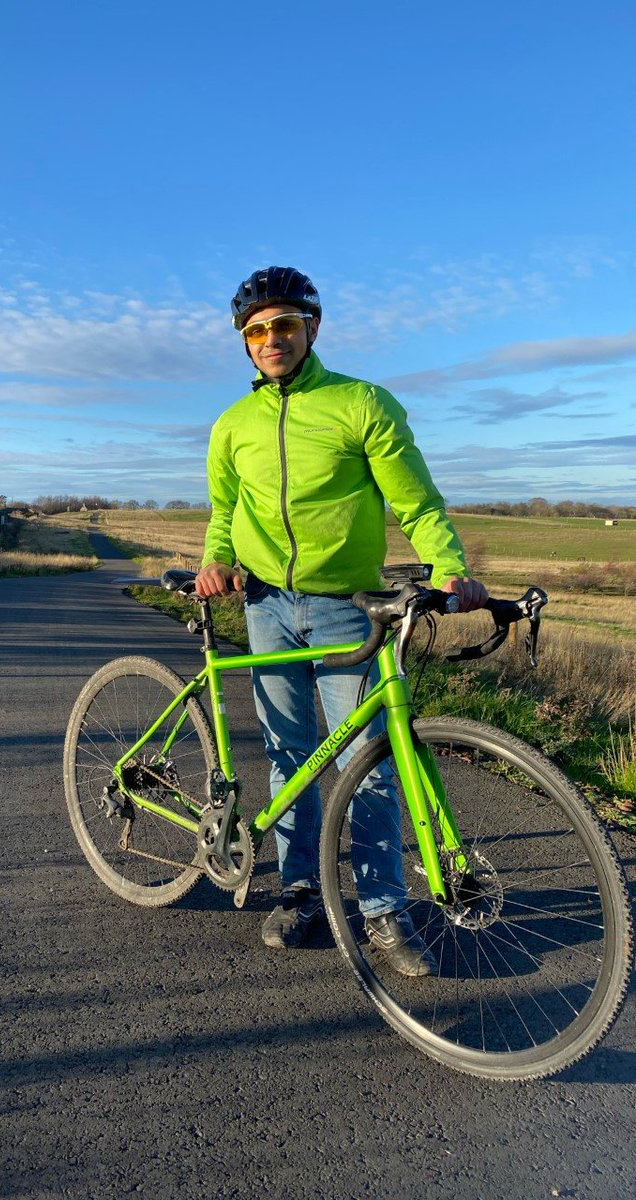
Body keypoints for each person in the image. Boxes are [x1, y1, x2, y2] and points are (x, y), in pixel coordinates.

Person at [195, 266, 487, 970]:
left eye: (284, 325)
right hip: (265, 605)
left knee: (372, 763)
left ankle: (384, 909)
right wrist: (216, 560)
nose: (271, 339)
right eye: (256, 330)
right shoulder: (233, 425)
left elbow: (416, 502)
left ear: (312, 328)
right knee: (288, 757)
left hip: (348, 609)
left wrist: (449, 566)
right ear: (244, 341)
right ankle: (298, 891)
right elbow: (226, 511)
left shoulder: (362, 403)